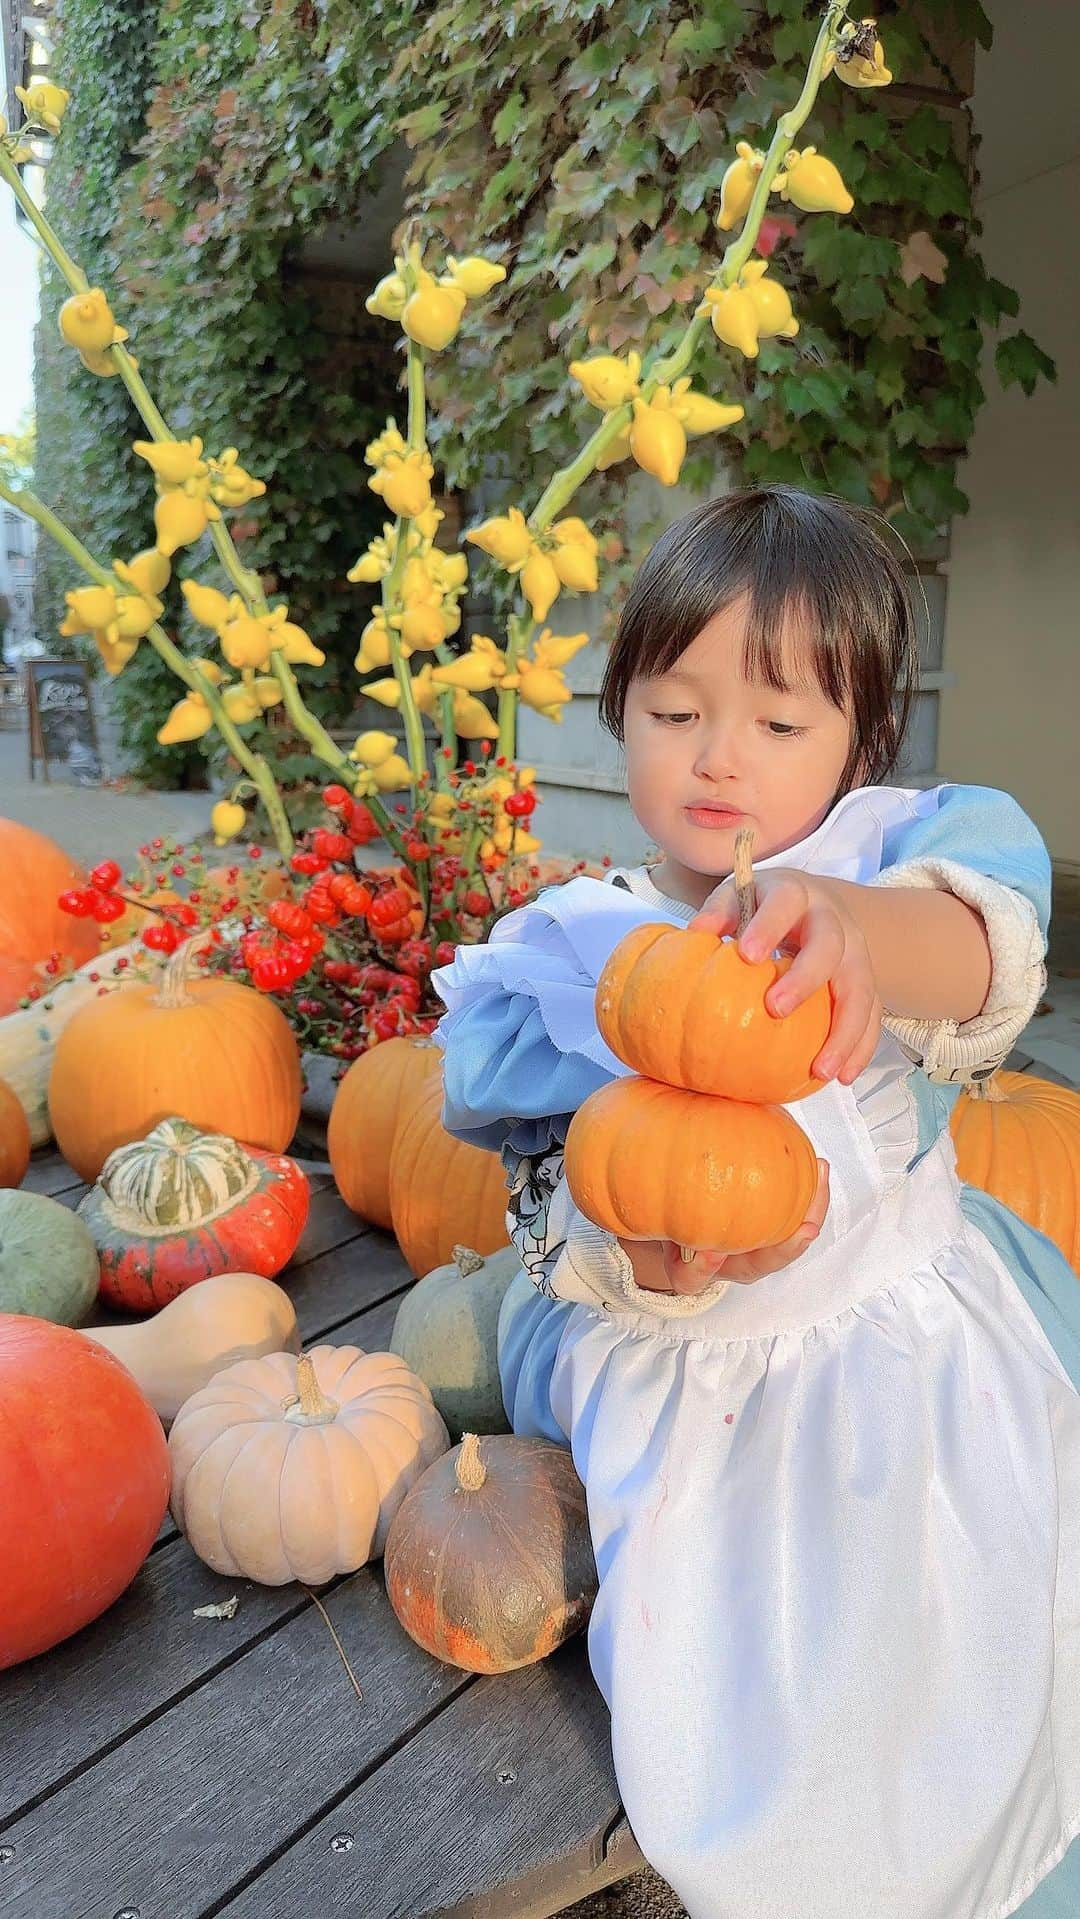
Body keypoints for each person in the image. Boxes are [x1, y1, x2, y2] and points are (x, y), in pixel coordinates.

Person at [432, 487, 1080, 1919]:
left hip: (900, 1322)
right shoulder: (582, 946)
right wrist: (653, 1259)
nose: (722, 755)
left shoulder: (890, 865)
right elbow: (535, 1156)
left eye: (782, 725)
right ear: (621, 713)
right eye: (675, 712)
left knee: (985, 1599)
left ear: (861, 744)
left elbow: (980, 942)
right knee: (782, 1705)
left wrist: (854, 930)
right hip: (683, 1358)